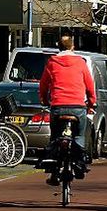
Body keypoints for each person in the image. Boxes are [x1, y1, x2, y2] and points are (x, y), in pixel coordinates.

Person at [38, 34, 96, 186]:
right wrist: (91, 103)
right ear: (72, 47)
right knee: (79, 136)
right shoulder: (81, 63)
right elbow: (90, 85)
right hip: (78, 107)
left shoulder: (52, 62)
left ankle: (54, 171)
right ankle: (79, 164)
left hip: (58, 106)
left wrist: (44, 100)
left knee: (55, 137)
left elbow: (43, 84)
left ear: (58, 48)